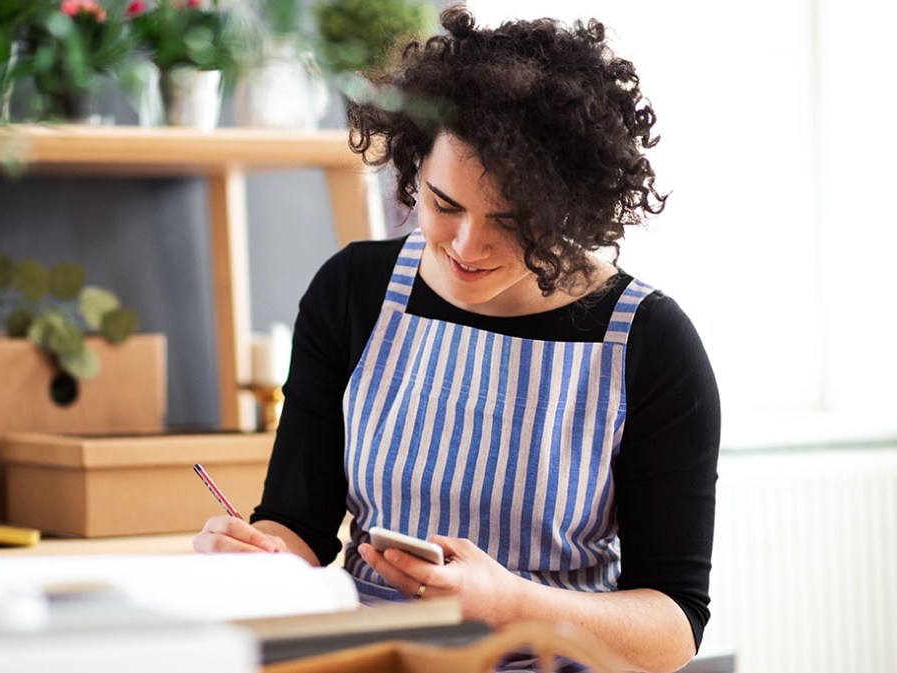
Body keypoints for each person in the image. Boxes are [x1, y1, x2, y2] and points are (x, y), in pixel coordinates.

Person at [194, 6, 719, 672]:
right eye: (444, 205)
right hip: (369, 660)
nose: (467, 246)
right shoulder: (354, 291)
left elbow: (673, 627)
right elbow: (295, 526)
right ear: (415, 168)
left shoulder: (650, 344)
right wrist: (255, 557)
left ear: (572, 208)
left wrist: (509, 602)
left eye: (510, 220)